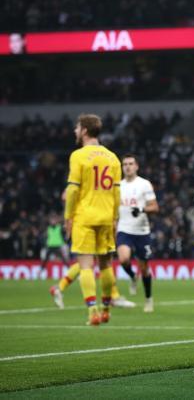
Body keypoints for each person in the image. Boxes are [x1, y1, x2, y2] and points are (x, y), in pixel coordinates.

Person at [64, 113, 121, 326]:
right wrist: (115, 218)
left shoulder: (78, 156)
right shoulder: (112, 157)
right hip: (106, 216)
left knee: (86, 265)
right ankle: (106, 310)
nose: (75, 131)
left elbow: (72, 190)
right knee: (106, 265)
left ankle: (92, 311)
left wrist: (68, 217)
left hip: (85, 217)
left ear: (85, 130)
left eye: (77, 128)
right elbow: (117, 192)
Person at [117, 154, 159, 312]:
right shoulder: (117, 186)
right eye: (125, 164)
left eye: (130, 164)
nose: (128, 167)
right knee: (123, 259)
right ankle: (133, 277)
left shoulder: (144, 184)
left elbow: (155, 207)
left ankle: (148, 299)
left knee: (144, 268)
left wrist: (141, 209)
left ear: (136, 166)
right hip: (124, 229)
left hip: (141, 231)